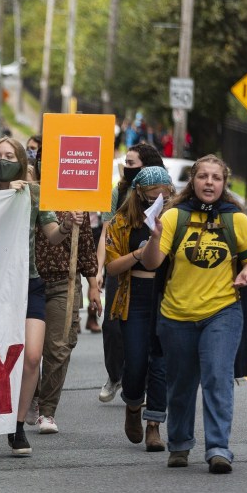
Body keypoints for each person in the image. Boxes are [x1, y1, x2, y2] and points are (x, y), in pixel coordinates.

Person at [140, 155, 247, 474]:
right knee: (180, 384)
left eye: (216, 177)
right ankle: (179, 444)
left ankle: (219, 448)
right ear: (193, 181)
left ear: (224, 183)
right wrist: (153, 238)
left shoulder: (235, 220)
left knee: (217, 377)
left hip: (223, 311)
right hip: (176, 314)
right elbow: (152, 264)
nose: (210, 182)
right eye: (203, 176)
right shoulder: (173, 217)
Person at [0, 136, 76, 457]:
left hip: (28, 283)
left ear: (21, 160)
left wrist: (69, 223)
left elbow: (53, 235)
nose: (4, 160)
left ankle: (16, 426)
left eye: (10, 155)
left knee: (31, 357)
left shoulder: (34, 194)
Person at [105, 166, 174, 452]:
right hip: (133, 297)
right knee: (135, 363)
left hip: (165, 297)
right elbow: (111, 267)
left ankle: (154, 425)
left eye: (165, 191)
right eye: (152, 193)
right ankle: (133, 405)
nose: (159, 197)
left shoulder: (175, 219)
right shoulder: (121, 223)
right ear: (139, 193)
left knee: (160, 366)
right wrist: (138, 253)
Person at [96, 142, 165, 403]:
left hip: (155, 281)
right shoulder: (120, 193)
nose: (126, 168)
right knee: (112, 327)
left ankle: (142, 386)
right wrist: (100, 268)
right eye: (125, 163)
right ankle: (116, 376)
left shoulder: (167, 202)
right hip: (122, 271)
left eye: (132, 164)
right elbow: (106, 231)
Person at [32, 208, 99, 434]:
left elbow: (87, 247)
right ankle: (31, 394)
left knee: (58, 347)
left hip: (64, 282)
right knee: (28, 350)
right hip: (28, 283)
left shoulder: (76, 203)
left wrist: (94, 287)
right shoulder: (28, 195)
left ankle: (47, 410)